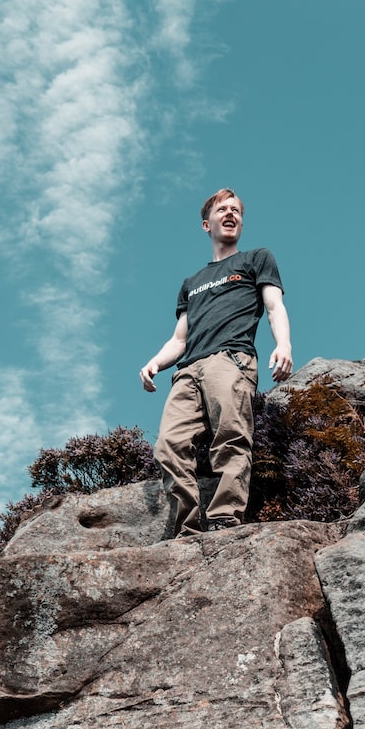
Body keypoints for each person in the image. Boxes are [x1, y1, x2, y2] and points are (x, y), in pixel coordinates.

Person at [138, 189, 293, 537]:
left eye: (236, 210)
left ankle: (224, 518)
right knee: (168, 446)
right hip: (188, 370)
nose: (230, 214)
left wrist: (283, 344)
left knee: (231, 437)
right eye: (222, 209)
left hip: (230, 359)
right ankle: (187, 528)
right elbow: (179, 339)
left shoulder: (256, 259)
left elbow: (274, 307)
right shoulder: (191, 284)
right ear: (206, 224)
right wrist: (155, 363)